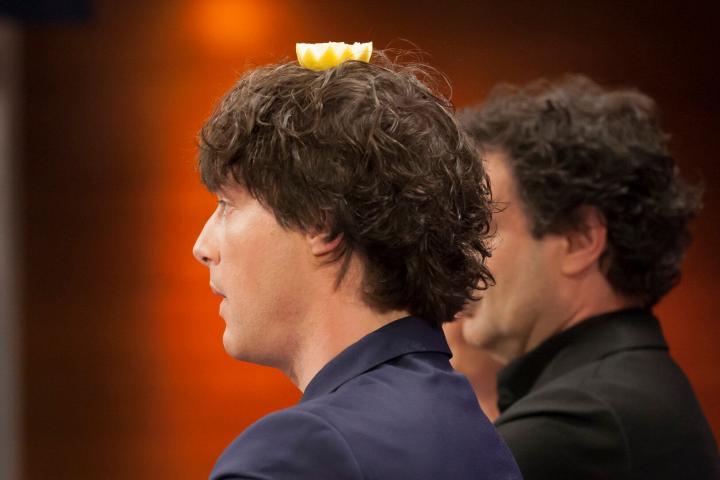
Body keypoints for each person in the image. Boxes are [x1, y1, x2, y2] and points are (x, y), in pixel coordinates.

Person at [192, 50, 521, 479]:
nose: (202, 247)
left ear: (320, 224)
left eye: (226, 204)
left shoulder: (297, 454)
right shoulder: (472, 430)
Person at [458, 75, 719, 479]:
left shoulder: (579, 423)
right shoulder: (624, 390)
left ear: (580, 240)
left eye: (484, 228)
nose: (460, 254)